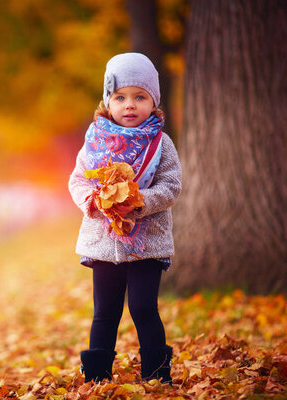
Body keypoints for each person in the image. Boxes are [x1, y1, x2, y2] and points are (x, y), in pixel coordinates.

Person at [68, 53, 182, 384]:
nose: (129, 105)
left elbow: (171, 186)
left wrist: (140, 202)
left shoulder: (160, 143)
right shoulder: (95, 141)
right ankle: (96, 378)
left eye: (139, 97)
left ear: (153, 101)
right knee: (104, 313)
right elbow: (78, 180)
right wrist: (92, 200)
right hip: (104, 243)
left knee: (144, 308)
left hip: (147, 242)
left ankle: (158, 376)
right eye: (120, 97)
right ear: (108, 101)